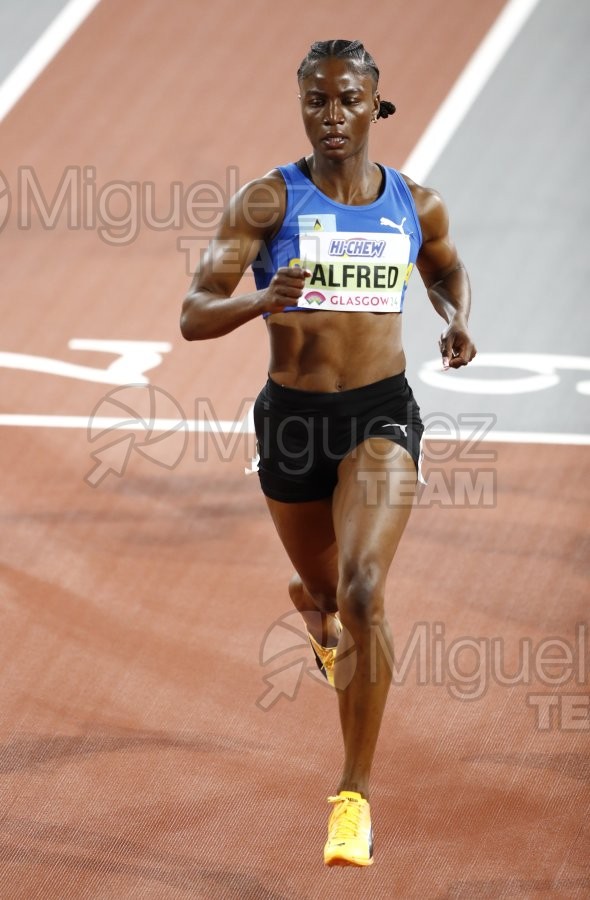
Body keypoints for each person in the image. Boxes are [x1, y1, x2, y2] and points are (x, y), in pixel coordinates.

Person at [180, 38, 476, 867]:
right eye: (316, 100)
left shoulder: (417, 203)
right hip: (292, 425)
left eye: (348, 99)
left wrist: (455, 322)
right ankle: (313, 606)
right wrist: (255, 304)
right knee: (326, 592)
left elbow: (447, 272)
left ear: (374, 104)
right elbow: (193, 311)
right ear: (302, 105)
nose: (332, 115)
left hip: (381, 412)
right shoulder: (269, 203)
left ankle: (352, 800)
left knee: (365, 587)